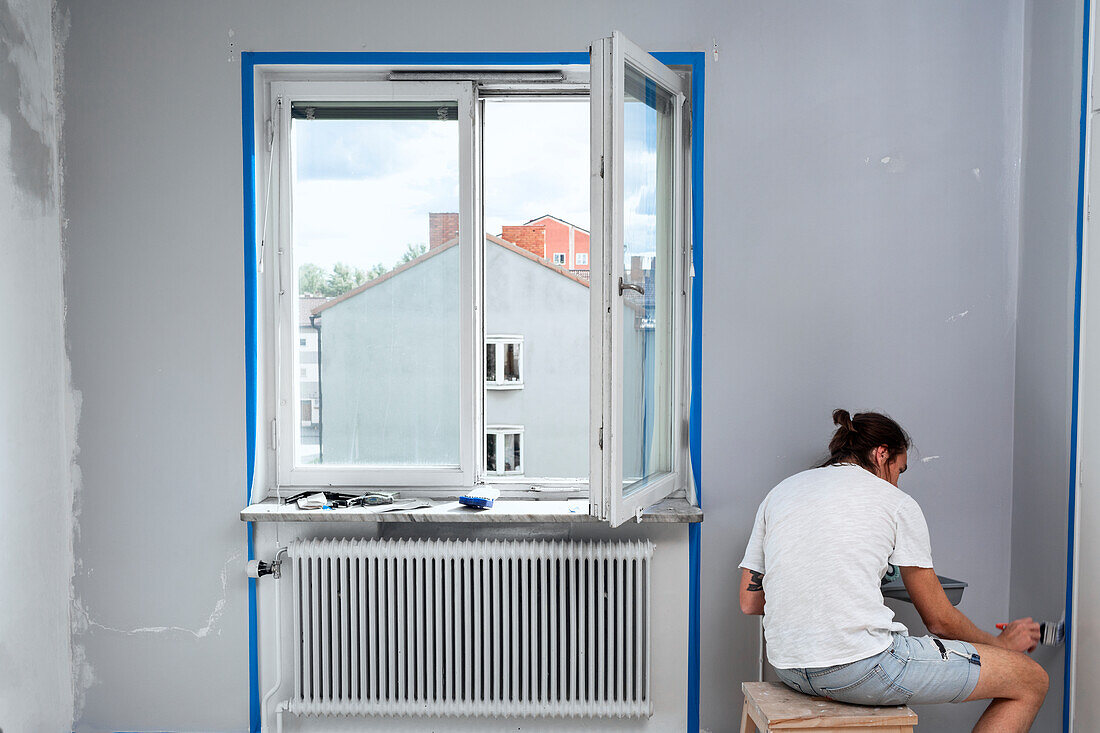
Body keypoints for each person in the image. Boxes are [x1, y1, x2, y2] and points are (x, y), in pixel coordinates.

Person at [739, 409, 1048, 732]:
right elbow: (939, 620)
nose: (897, 480)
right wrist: (1001, 644)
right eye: (899, 470)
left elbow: (750, 602)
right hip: (861, 669)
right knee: (1031, 679)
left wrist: (838, 588)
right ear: (882, 453)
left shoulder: (781, 493)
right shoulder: (895, 502)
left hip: (790, 668)